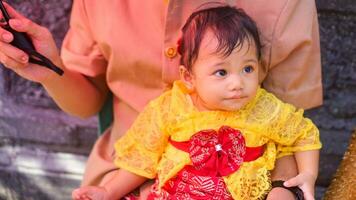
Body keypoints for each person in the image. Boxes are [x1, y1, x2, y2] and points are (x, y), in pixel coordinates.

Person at [0, 1, 322, 199]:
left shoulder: (283, 4)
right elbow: (87, 104)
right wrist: (47, 70)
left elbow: (291, 133)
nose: (236, 83)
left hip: (252, 182)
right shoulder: (168, 110)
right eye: (223, 71)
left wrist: (286, 188)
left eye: (247, 68)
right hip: (123, 175)